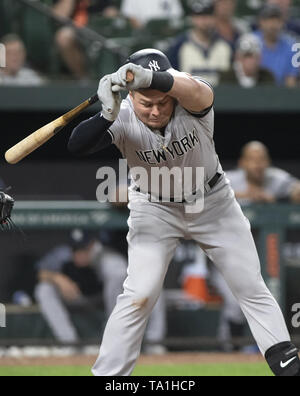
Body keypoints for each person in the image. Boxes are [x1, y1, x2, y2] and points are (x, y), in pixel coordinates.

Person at [68, 48, 300, 376]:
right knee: (140, 294)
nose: (154, 110)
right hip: (155, 207)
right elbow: (76, 145)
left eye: (162, 101)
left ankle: (288, 367)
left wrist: (149, 79)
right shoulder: (122, 114)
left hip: (213, 203)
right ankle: (107, 377)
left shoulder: (188, 95)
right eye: (145, 102)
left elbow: (200, 92)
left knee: (249, 285)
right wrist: (105, 114)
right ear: (131, 96)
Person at [35, 229, 126, 344]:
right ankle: (69, 343)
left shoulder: (106, 258)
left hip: (100, 299)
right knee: (44, 289)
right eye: (76, 249)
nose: (80, 254)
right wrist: (58, 278)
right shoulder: (63, 254)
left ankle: (112, 339)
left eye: (84, 249)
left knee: (117, 276)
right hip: (75, 297)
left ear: (92, 245)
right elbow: (40, 273)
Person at [168, 0, 232, 86]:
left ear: (214, 18)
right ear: (192, 19)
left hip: (220, 96)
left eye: (208, 15)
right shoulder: (179, 46)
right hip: (188, 96)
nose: (204, 21)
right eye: (200, 16)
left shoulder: (225, 46)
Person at [53, 0, 119, 80]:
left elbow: (112, 12)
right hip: (75, 30)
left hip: (97, 30)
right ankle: (84, 78)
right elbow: (57, 17)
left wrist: (109, 13)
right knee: (63, 37)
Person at [226, 141, 300, 205]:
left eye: (262, 159)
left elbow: (297, 188)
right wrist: (245, 195)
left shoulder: (275, 177)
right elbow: (215, 192)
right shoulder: (229, 179)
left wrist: (277, 199)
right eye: (252, 159)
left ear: (268, 162)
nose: (257, 164)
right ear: (241, 163)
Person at [254, 4, 299, 87]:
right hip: (253, 92)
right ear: (261, 22)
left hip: (281, 95)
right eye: (269, 20)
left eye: (277, 20)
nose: (273, 25)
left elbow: (291, 81)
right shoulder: (250, 41)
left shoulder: (291, 46)